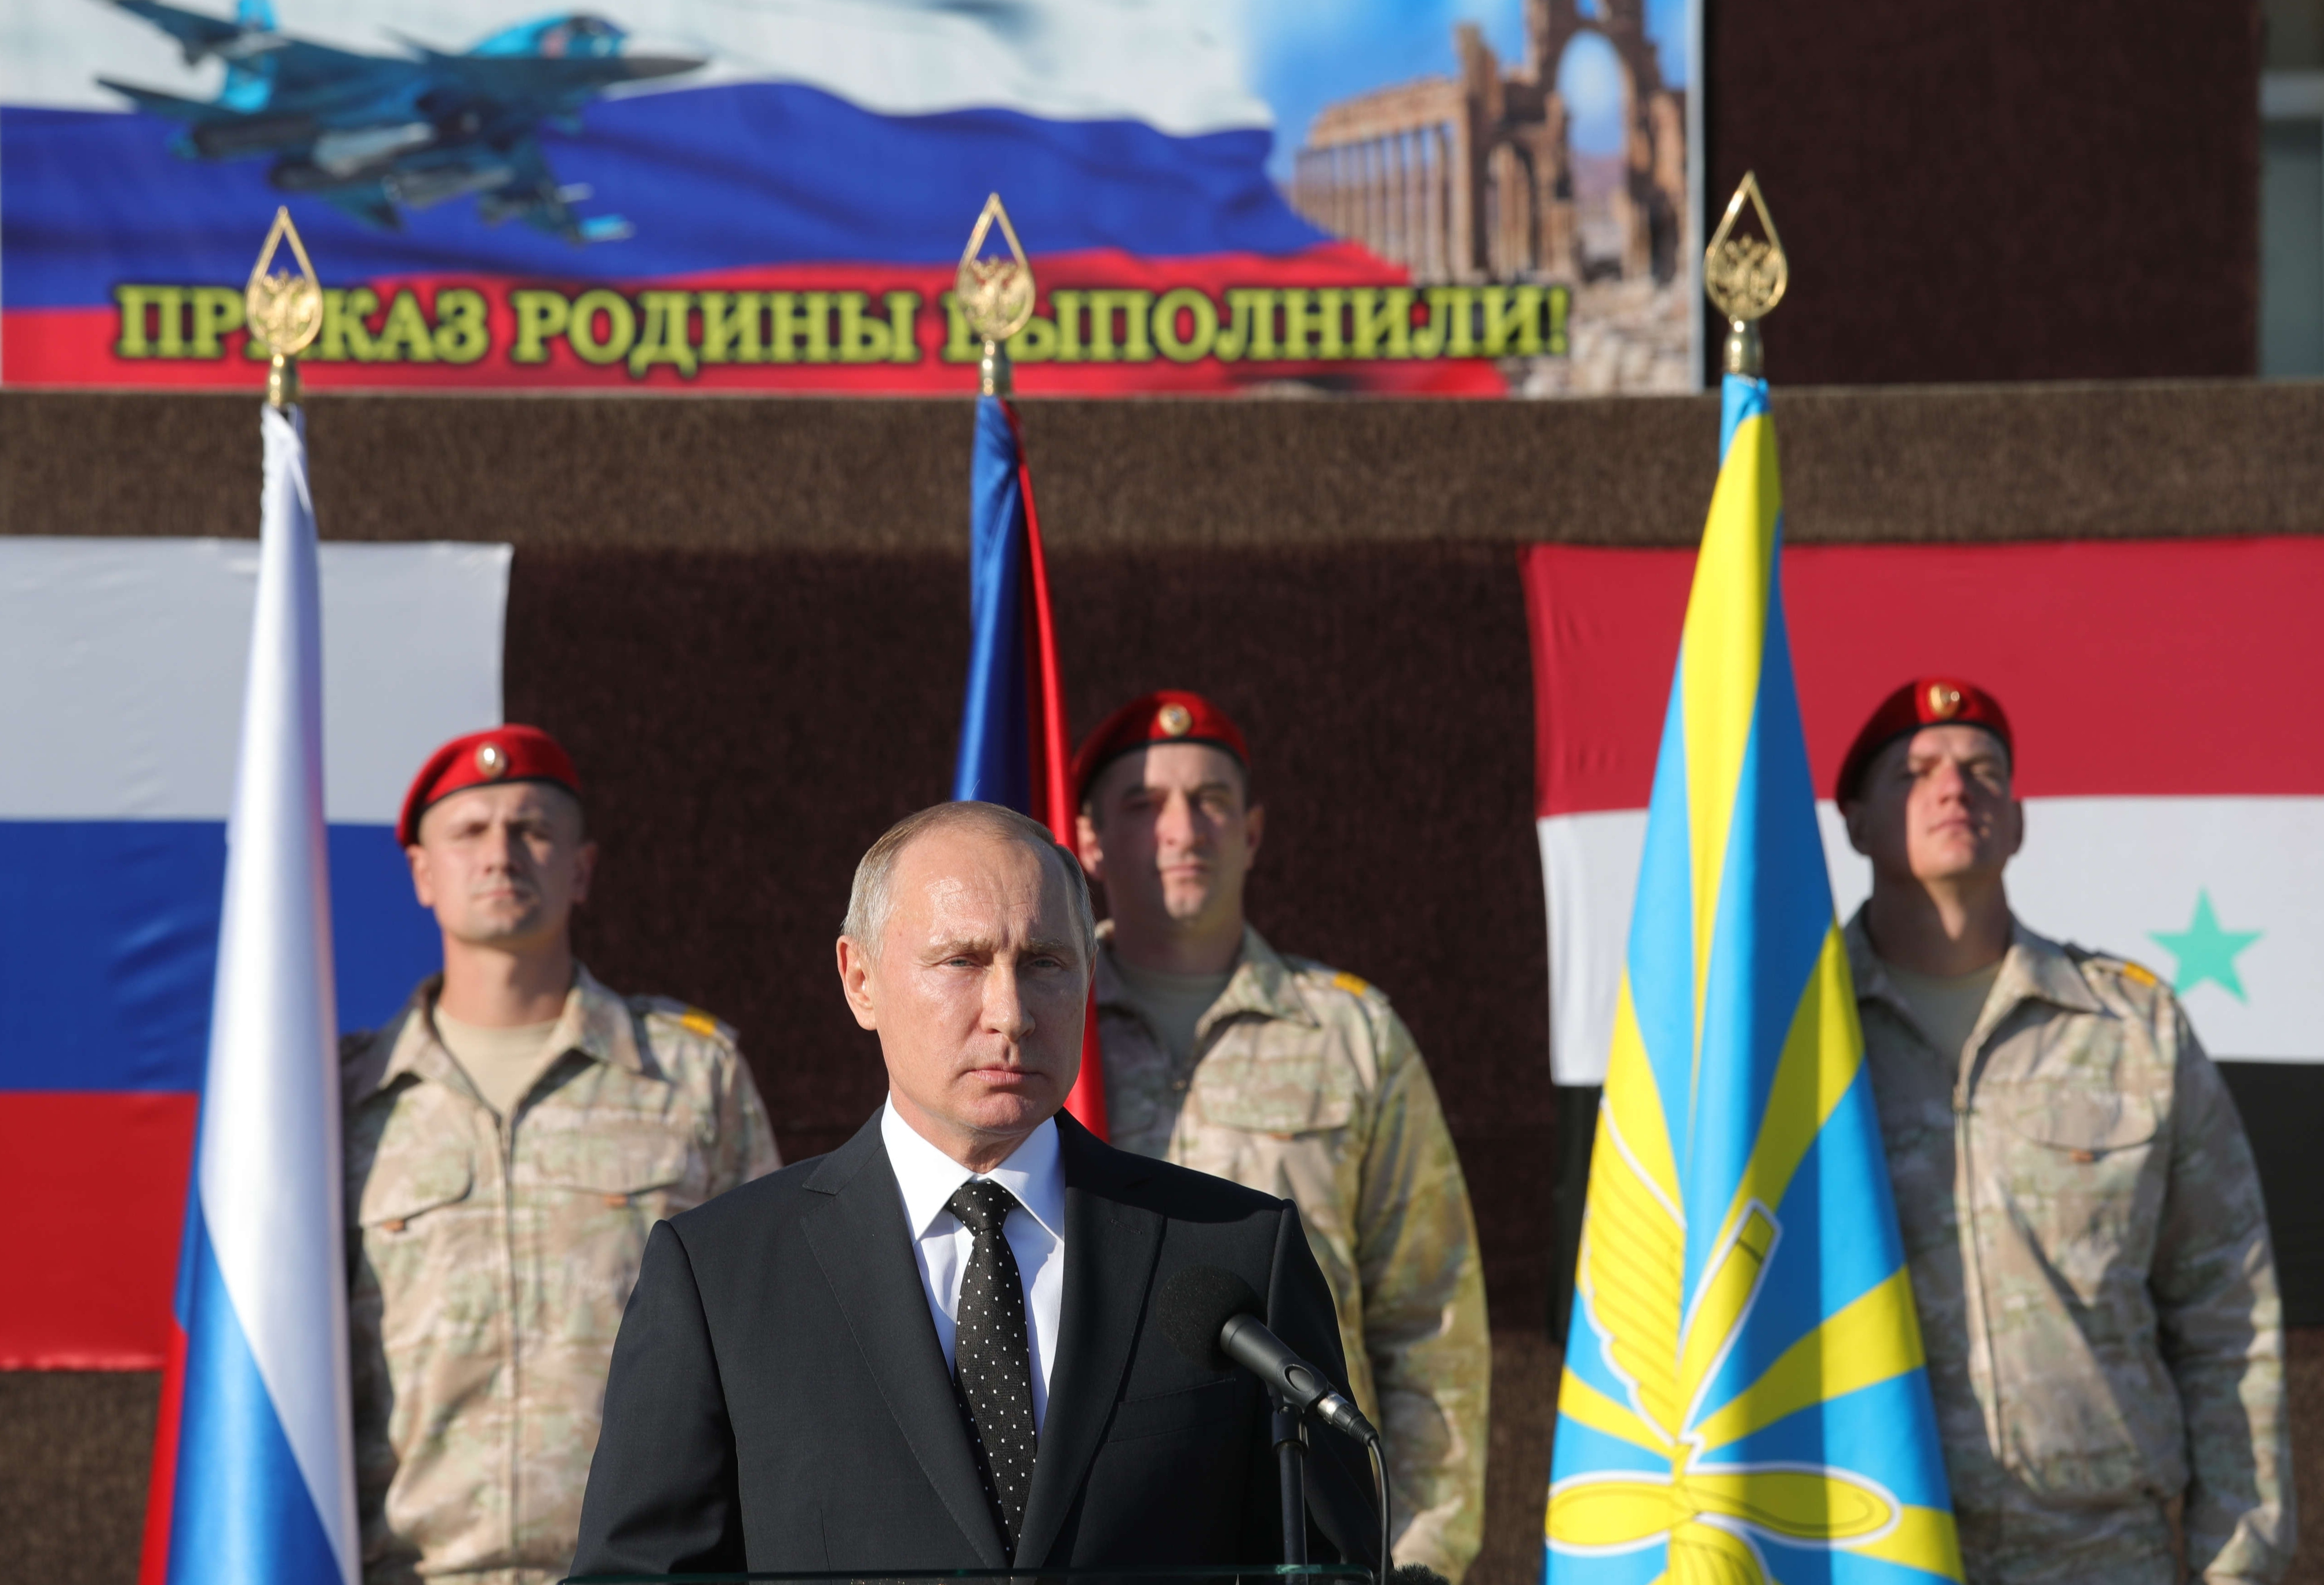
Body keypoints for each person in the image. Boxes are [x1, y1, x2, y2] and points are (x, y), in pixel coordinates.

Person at [570, 801, 1379, 1575]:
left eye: (1045, 963)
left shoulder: (1231, 1253)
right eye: (961, 961)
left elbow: (1329, 1565)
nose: (1011, 1011)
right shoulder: (721, 1275)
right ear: (860, 980)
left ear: (1090, 975)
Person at [1835, 677, 2292, 1584]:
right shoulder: (1797, 1044)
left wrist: (2239, 1560)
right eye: (1914, 772)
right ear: (1854, 822)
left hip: (2099, 1549)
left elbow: (2228, 1313)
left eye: (1983, 771)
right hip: (1866, 1543)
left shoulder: (2133, 1029)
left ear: (2018, 822)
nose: (1955, 789)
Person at [342, 725, 780, 1585]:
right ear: (422, 873)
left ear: (581, 867)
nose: (501, 853)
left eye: (533, 829)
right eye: (468, 831)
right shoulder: (341, 1103)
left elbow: (771, 1336)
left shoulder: (692, 1077)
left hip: (645, 1569)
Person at [1068, 691, 1489, 1583]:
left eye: (1211, 800)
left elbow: (1430, 1310)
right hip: (1094, 1533)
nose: (1183, 829)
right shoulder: (1037, 1036)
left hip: (1311, 1532)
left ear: (1253, 832)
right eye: (1143, 805)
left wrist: (1420, 1551)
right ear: (1090, 841)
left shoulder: (1350, 1033)